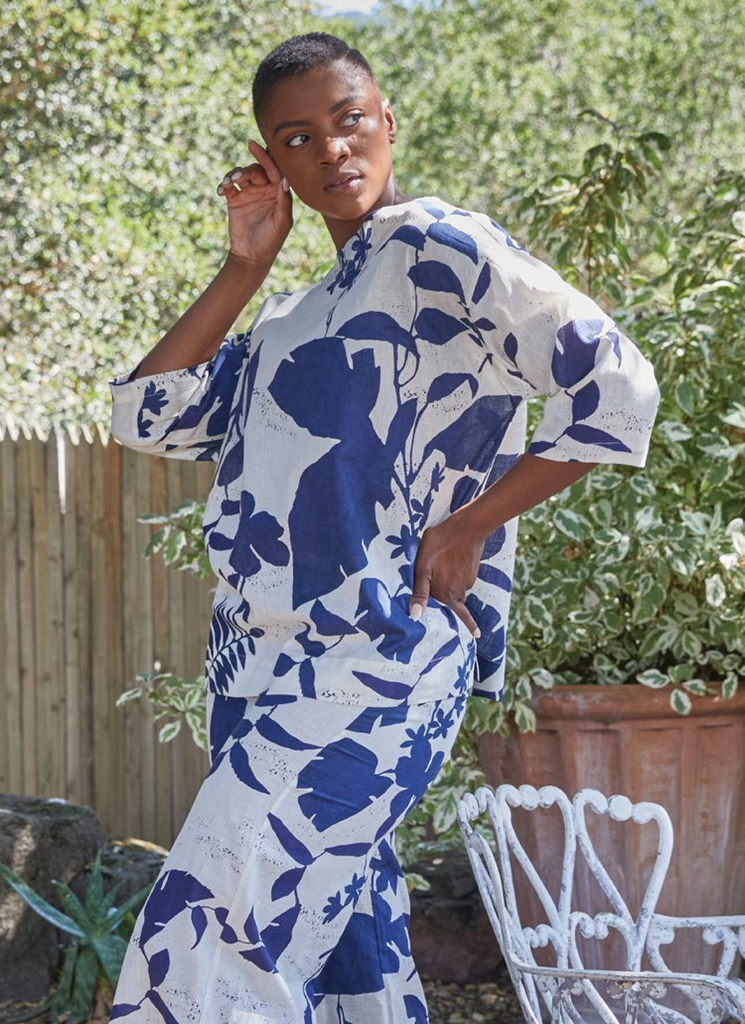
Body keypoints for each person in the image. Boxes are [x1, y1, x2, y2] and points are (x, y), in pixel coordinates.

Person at [107, 31, 660, 1024]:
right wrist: (244, 264)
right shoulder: (293, 317)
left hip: (377, 659)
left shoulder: (438, 244)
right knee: (350, 956)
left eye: (348, 119)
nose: (332, 149)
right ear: (272, 162)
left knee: (206, 934)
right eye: (297, 138)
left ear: (388, 121)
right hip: (252, 667)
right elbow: (149, 415)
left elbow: (616, 385)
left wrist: (470, 525)